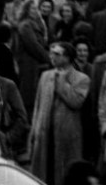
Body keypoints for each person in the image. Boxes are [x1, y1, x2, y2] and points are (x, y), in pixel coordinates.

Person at [29, 41, 90, 185]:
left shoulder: (82, 78)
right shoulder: (45, 76)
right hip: (44, 134)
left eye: (56, 54)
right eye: (51, 53)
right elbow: (38, 105)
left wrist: (62, 81)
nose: (52, 57)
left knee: (63, 174)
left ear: (68, 58)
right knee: (43, 173)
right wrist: (34, 130)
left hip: (66, 136)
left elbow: (75, 101)